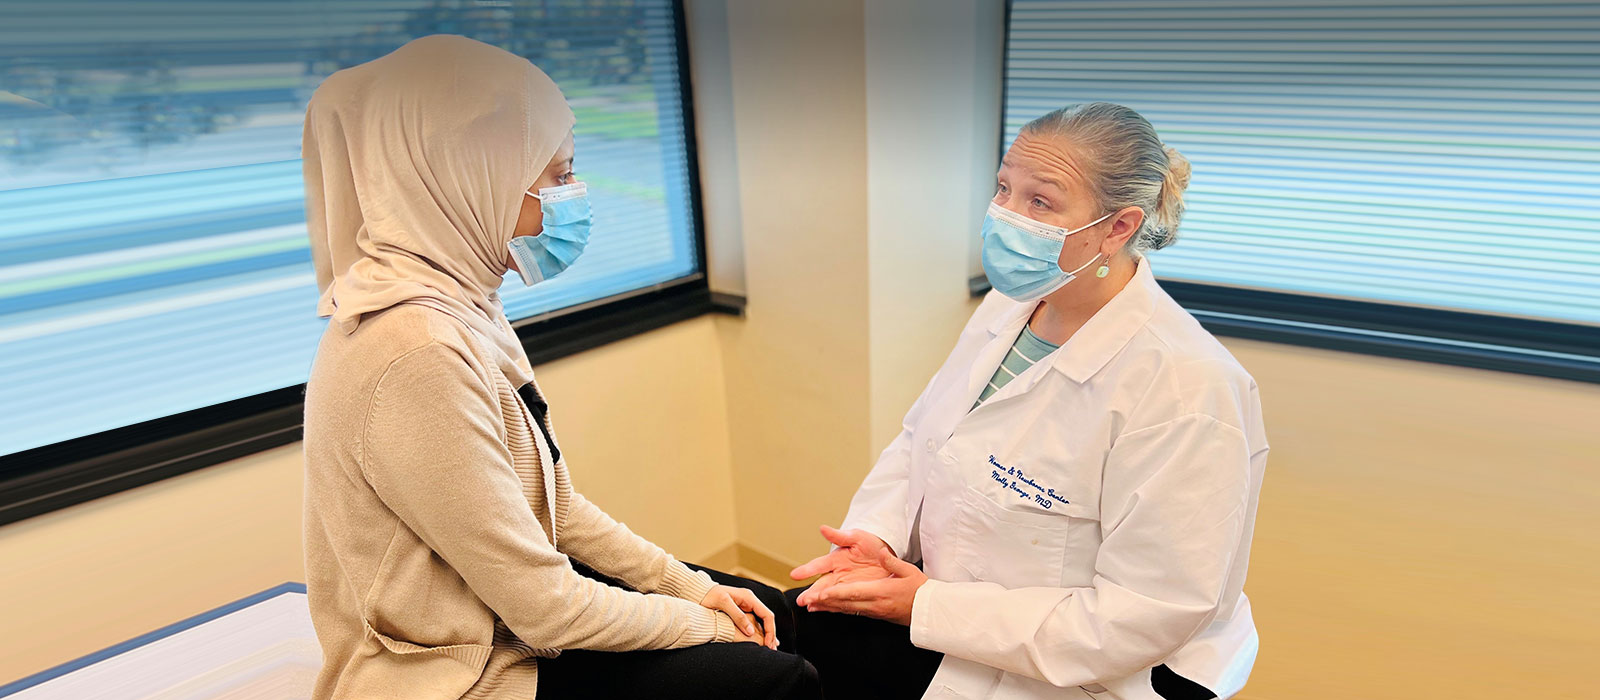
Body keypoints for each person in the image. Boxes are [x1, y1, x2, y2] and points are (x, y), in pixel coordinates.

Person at [300, 35, 817, 700]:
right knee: (777, 678)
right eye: (559, 177)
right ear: (474, 178)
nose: (575, 197)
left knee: (763, 602)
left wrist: (695, 589)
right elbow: (544, 608)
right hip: (469, 671)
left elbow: (557, 507)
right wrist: (702, 623)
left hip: (508, 617)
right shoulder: (416, 351)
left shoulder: (461, 300)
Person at [785, 102, 1269, 700]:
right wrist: (877, 537)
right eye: (1003, 189)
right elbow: (924, 439)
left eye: (1040, 202)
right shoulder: (1012, 308)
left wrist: (928, 606)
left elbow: (1147, 613)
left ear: (1118, 227)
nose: (1004, 216)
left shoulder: (1187, 388)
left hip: (1092, 674)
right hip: (948, 617)